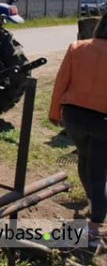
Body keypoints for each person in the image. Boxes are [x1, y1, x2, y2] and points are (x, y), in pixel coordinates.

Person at [49, 13, 107, 248]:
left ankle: (94, 201)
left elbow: (61, 82)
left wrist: (54, 113)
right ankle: (95, 227)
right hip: (103, 120)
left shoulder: (77, 47)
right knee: (99, 171)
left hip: (74, 116)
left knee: (85, 158)